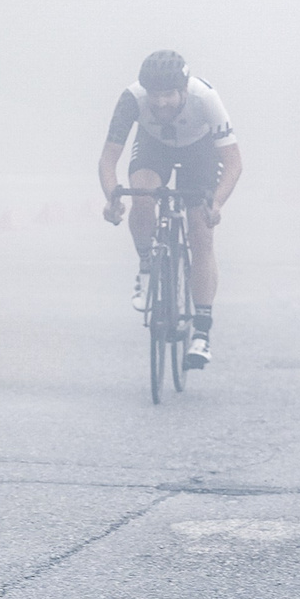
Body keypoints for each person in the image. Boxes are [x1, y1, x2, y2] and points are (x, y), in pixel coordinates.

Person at [99, 49, 243, 370]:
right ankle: (147, 265)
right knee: (143, 196)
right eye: (155, 96)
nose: (161, 103)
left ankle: (202, 332)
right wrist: (112, 198)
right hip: (153, 145)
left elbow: (233, 162)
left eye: (168, 96)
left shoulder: (205, 98)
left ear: (183, 90)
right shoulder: (131, 99)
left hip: (199, 150)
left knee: (201, 231)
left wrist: (216, 202)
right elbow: (108, 159)